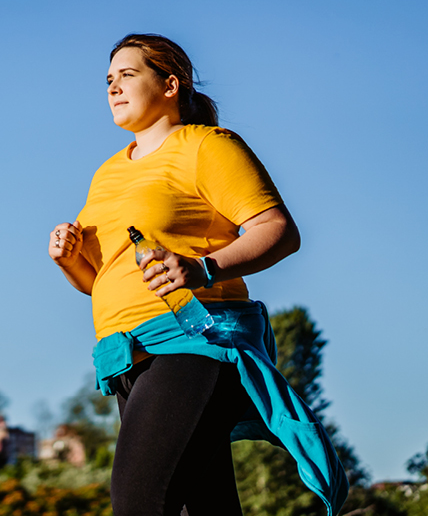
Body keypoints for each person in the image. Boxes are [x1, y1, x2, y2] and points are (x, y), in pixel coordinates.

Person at [47, 34, 346, 515]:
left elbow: (278, 230)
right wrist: (70, 260)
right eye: (108, 80)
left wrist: (203, 267)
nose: (113, 88)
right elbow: (99, 281)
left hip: (194, 344)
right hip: (126, 357)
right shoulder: (106, 174)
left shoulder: (208, 146)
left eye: (127, 75)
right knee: (202, 510)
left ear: (170, 83)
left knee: (141, 502)